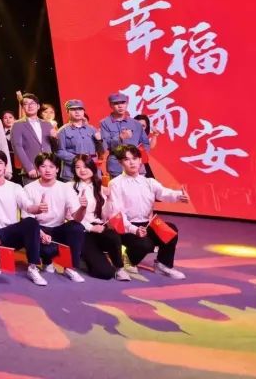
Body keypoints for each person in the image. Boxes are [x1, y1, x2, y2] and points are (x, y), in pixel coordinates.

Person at [0, 150, 48, 286]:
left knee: (31, 222)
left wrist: (38, 208)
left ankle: (32, 267)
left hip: (10, 234)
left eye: (1, 163)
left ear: (5, 166)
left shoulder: (15, 187)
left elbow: (28, 207)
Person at [110, 145, 188, 279]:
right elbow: (117, 213)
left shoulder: (149, 182)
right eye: (127, 159)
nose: (132, 162)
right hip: (127, 227)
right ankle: (127, 260)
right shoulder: (116, 183)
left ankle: (163, 264)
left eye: (135, 158)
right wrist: (134, 229)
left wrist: (179, 195)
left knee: (171, 230)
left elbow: (164, 193)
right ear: (120, 163)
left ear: (140, 160)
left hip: (147, 223)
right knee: (146, 244)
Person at [24, 153, 86, 282]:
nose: (47, 170)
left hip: (58, 229)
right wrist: (41, 234)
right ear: (37, 168)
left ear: (57, 169)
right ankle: (35, 266)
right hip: (38, 229)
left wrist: (83, 208)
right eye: (43, 166)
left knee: (77, 227)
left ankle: (70, 267)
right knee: (30, 228)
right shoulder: (29, 188)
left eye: (51, 167)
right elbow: (27, 219)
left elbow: (77, 218)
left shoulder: (65, 188)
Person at [72, 154, 129, 281]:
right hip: (82, 230)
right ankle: (85, 258)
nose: (82, 170)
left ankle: (119, 268)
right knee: (105, 273)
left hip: (99, 227)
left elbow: (104, 215)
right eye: (78, 167)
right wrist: (91, 228)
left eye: (86, 166)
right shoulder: (70, 187)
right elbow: (70, 216)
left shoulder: (99, 187)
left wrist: (109, 200)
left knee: (112, 235)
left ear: (92, 168)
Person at [99, 93, 151, 178]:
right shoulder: (105, 123)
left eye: (123, 103)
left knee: (138, 186)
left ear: (127, 104)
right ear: (111, 105)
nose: (120, 106)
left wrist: (139, 158)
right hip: (116, 166)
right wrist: (120, 138)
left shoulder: (136, 123)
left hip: (136, 167)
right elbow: (105, 146)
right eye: (116, 103)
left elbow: (146, 143)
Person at [10, 94, 54, 185]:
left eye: (32, 103)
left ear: (38, 106)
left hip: (49, 169)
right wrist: (29, 168)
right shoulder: (17, 125)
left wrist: (55, 138)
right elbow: (17, 147)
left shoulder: (47, 124)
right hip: (32, 172)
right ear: (23, 107)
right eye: (26, 104)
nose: (30, 106)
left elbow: (54, 146)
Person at [55, 100, 100, 181]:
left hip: (91, 170)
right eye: (73, 109)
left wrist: (100, 140)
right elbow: (59, 151)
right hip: (72, 172)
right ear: (67, 112)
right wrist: (78, 159)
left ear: (83, 111)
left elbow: (101, 150)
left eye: (80, 109)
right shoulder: (62, 131)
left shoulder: (92, 129)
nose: (77, 112)